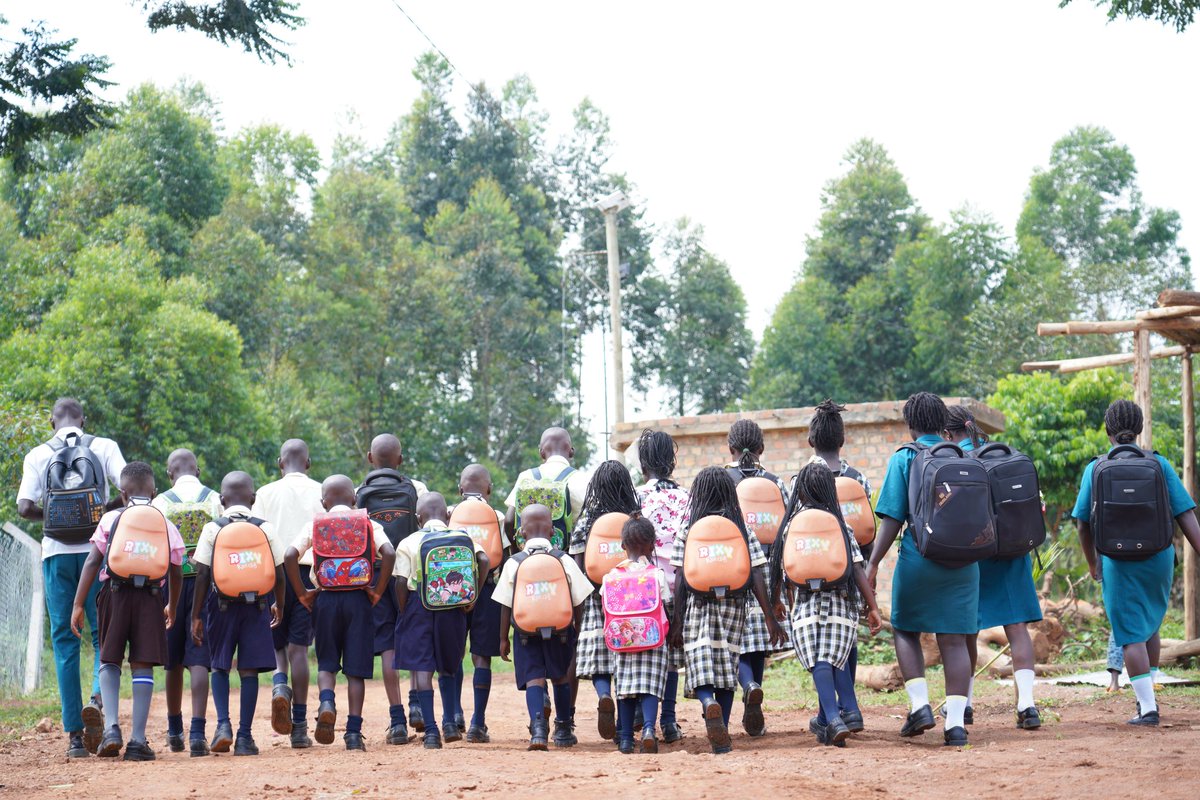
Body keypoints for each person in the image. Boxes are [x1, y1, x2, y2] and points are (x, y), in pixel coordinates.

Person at [1073, 400, 1200, 726]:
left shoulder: (1096, 468)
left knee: (1130, 634)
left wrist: (1093, 562)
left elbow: (1083, 523)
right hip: (1158, 557)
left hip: (1116, 560)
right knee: (1149, 626)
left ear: (1107, 431)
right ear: (1140, 428)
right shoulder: (1159, 464)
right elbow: (1185, 514)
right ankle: (1150, 694)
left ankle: (1147, 708)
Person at [866, 392, 979, 747]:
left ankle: (919, 706)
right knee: (955, 639)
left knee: (904, 629)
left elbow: (891, 518)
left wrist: (872, 564)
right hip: (964, 563)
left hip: (919, 559)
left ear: (910, 425)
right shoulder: (965, 457)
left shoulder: (905, 458)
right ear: (943, 424)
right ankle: (957, 726)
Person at [17, 398, 125, 758]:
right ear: (84, 419)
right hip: (99, 553)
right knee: (102, 634)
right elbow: (127, 489)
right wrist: (98, 512)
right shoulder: (104, 447)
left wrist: (56, 517)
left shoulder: (37, 455)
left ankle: (75, 737)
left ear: (52, 422)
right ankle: (97, 699)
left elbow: (24, 507)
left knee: (65, 640)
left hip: (57, 554)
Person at [69, 462, 185, 761]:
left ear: (122, 494)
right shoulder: (164, 522)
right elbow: (177, 568)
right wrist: (171, 602)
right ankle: (137, 741)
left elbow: (93, 561)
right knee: (142, 665)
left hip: (114, 595)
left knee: (109, 659)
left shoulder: (111, 519)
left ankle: (111, 729)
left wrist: (79, 603)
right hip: (151, 597)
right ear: (155, 492)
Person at [669, 466, 785, 754]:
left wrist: (677, 620)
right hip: (734, 605)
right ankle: (723, 723)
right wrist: (770, 618)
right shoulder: (741, 527)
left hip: (698, 605)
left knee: (701, 662)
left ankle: (708, 703)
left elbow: (680, 577)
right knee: (727, 666)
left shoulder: (690, 528)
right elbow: (757, 572)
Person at [769, 458, 883, 747]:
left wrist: (777, 600)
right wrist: (872, 607)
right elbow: (857, 567)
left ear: (801, 493)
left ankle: (831, 717)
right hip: (841, 602)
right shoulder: (840, 524)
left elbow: (781, 567)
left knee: (818, 659)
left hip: (806, 603)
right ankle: (838, 715)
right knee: (836, 657)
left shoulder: (791, 526)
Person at [945, 405, 1043, 730]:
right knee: (1017, 628)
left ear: (948, 434)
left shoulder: (955, 462)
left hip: (977, 556)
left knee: (967, 631)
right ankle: (1027, 704)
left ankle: (967, 704)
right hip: (1014, 552)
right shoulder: (1005, 455)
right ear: (972, 427)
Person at [284, 475, 395, 750]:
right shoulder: (367, 523)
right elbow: (389, 553)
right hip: (359, 599)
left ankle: (326, 701)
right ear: (355, 499)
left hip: (325, 600)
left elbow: (289, 555)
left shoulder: (316, 523)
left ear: (323, 502)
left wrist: (302, 592)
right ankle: (354, 734)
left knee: (327, 663)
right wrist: (377, 590)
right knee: (356, 671)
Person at [189, 471, 285, 756]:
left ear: (221, 500)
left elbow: (203, 573)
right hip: (257, 608)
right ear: (253, 499)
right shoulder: (264, 528)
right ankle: (245, 736)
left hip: (221, 607)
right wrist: (278, 604)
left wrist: (195, 614)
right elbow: (279, 573)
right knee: (249, 670)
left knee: (219, 665)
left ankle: (223, 726)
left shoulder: (212, 528)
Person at [503, 426, 590, 734]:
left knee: (530, 639)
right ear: (571, 450)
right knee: (565, 647)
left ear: (541, 451)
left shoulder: (525, 478)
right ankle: (566, 722)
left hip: (526, 571)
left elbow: (510, 518)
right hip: (564, 568)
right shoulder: (579, 479)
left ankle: (537, 717)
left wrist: (520, 556)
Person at [393, 492, 489, 748]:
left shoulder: (409, 541)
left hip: (419, 606)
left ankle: (432, 732)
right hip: (454, 607)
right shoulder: (462, 537)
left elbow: (401, 582)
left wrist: (404, 610)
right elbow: (484, 559)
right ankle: (449, 722)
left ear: (417, 518)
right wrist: (473, 597)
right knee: (449, 666)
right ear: (448, 515)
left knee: (423, 669)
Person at [496, 504, 593, 751]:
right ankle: (563, 728)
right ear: (552, 532)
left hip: (524, 633)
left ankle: (538, 729)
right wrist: (578, 628)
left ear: (521, 533)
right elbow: (579, 599)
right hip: (561, 632)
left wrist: (503, 639)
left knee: (534, 679)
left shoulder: (514, 563)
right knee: (560, 676)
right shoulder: (564, 560)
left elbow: (505, 605)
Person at [252, 439, 326, 747]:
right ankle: (299, 727)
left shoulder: (266, 493)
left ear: (280, 463)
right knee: (299, 649)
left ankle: (280, 683)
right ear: (308, 463)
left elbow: (256, 532)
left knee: (278, 644)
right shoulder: (322, 491)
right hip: (309, 576)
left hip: (274, 574)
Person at [355, 433, 427, 745]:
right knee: (413, 635)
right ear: (400, 459)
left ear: (370, 458)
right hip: (410, 576)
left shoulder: (359, 493)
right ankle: (416, 704)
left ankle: (396, 720)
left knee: (388, 645)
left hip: (376, 578)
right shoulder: (417, 489)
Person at [151, 448, 223, 754]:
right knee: (199, 658)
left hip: (171, 587)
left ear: (169, 474)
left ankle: (175, 729)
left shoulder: (161, 502)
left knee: (172, 660)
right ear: (198, 471)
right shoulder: (213, 498)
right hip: (205, 587)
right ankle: (197, 733)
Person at [808, 398, 874, 728]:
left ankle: (835, 712)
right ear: (843, 441)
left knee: (819, 643)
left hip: (812, 577)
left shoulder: (802, 480)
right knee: (845, 637)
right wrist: (867, 567)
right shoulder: (858, 479)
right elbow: (868, 530)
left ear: (810, 442)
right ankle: (844, 709)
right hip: (850, 573)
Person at [568, 460, 642, 744]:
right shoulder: (635, 518)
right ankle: (626, 720)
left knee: (600, 660)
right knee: (629, 655)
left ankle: (604, 695)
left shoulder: (587, 521)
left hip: (599, 597)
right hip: (631, 599)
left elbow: (577, 562)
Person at [725, 418, 790, 737]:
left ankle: (748, 685)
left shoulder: (722, 479)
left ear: (730, 449)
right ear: (761, 449)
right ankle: (756, 703)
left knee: (735, 641)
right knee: (758, 643)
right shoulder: (776, 483)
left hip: (733, 570)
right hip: (769, 573)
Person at [448, 464, 511, 744]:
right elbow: (507, 556)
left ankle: (455, 714)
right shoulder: (496, 516)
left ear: (461, 489)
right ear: (489, 489)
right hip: (488, 591)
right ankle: (478, 723)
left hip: (452, 590)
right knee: (481, 656)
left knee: (453, 652)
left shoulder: (449, 514)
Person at [635, 429, 689, 743]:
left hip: (641, 589)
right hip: (677, 585)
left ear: (643, 466)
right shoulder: (687, 497)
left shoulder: (636, 498)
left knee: (641, 653)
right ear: (672, 461)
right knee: (669, 656)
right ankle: (668, 720)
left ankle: (643, 720)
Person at [611, 516, 673, 754]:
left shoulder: (611, 576)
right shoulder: (656, 574)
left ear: (622, 545)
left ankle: (626, 738)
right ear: (652, 545)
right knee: (650, 688)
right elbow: (666, 604)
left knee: (625, 688)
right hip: (653, 638)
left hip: (623, 640)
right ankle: (648, 729)